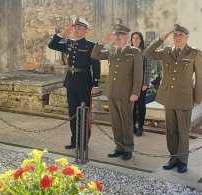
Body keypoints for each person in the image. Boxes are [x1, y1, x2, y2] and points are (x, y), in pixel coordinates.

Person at [144, 24, 202, 173]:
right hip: (168, 97)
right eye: (175, 35)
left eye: (180, 35)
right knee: (170, 130)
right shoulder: (167, 51)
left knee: (183, 131)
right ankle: (173, 158)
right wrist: (161, 39)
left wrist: (198, 99)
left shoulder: (194, 53)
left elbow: (200, 78)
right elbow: (148, 53)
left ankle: (183, 161)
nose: (177, 38)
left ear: (187, 37)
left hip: (184, 98)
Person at [91, 24, 143, 160]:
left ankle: (128, 148)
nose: (117, 37)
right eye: (115, 35)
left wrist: (135, 93)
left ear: (127, 37)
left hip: (126, 94)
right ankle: (119, 147)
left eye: (120, 35)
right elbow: (94, 55)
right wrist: (102, 42)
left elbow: (138, 75)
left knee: (126, 122)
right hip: (112, 92)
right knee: (115, 122)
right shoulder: (112, 51)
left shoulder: (135, 52)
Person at [48, 17, 101, 149]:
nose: (76, 30)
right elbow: (52, 45)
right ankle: (74, 140)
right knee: (72, 112)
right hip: (71, 82)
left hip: (84, 83)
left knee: (84, 113)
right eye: (75, 28)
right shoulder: (69, 43)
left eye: (79, 28)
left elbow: (96, 66)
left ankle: (83, 141)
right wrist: (62, 34)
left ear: (85, 31)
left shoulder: (91, 46)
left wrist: (96, 84)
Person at [130, 32, 153, 136]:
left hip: (141, 84)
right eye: (133, 38)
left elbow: (148, 68)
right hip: (130, 84)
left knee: (141, 106)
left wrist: (146, 83)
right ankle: (133, 126)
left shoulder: (145, 51)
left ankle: (140, 127)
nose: (135, 40)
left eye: (137, 38)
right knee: (132, 106)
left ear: (141, 40)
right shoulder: (129, 51)